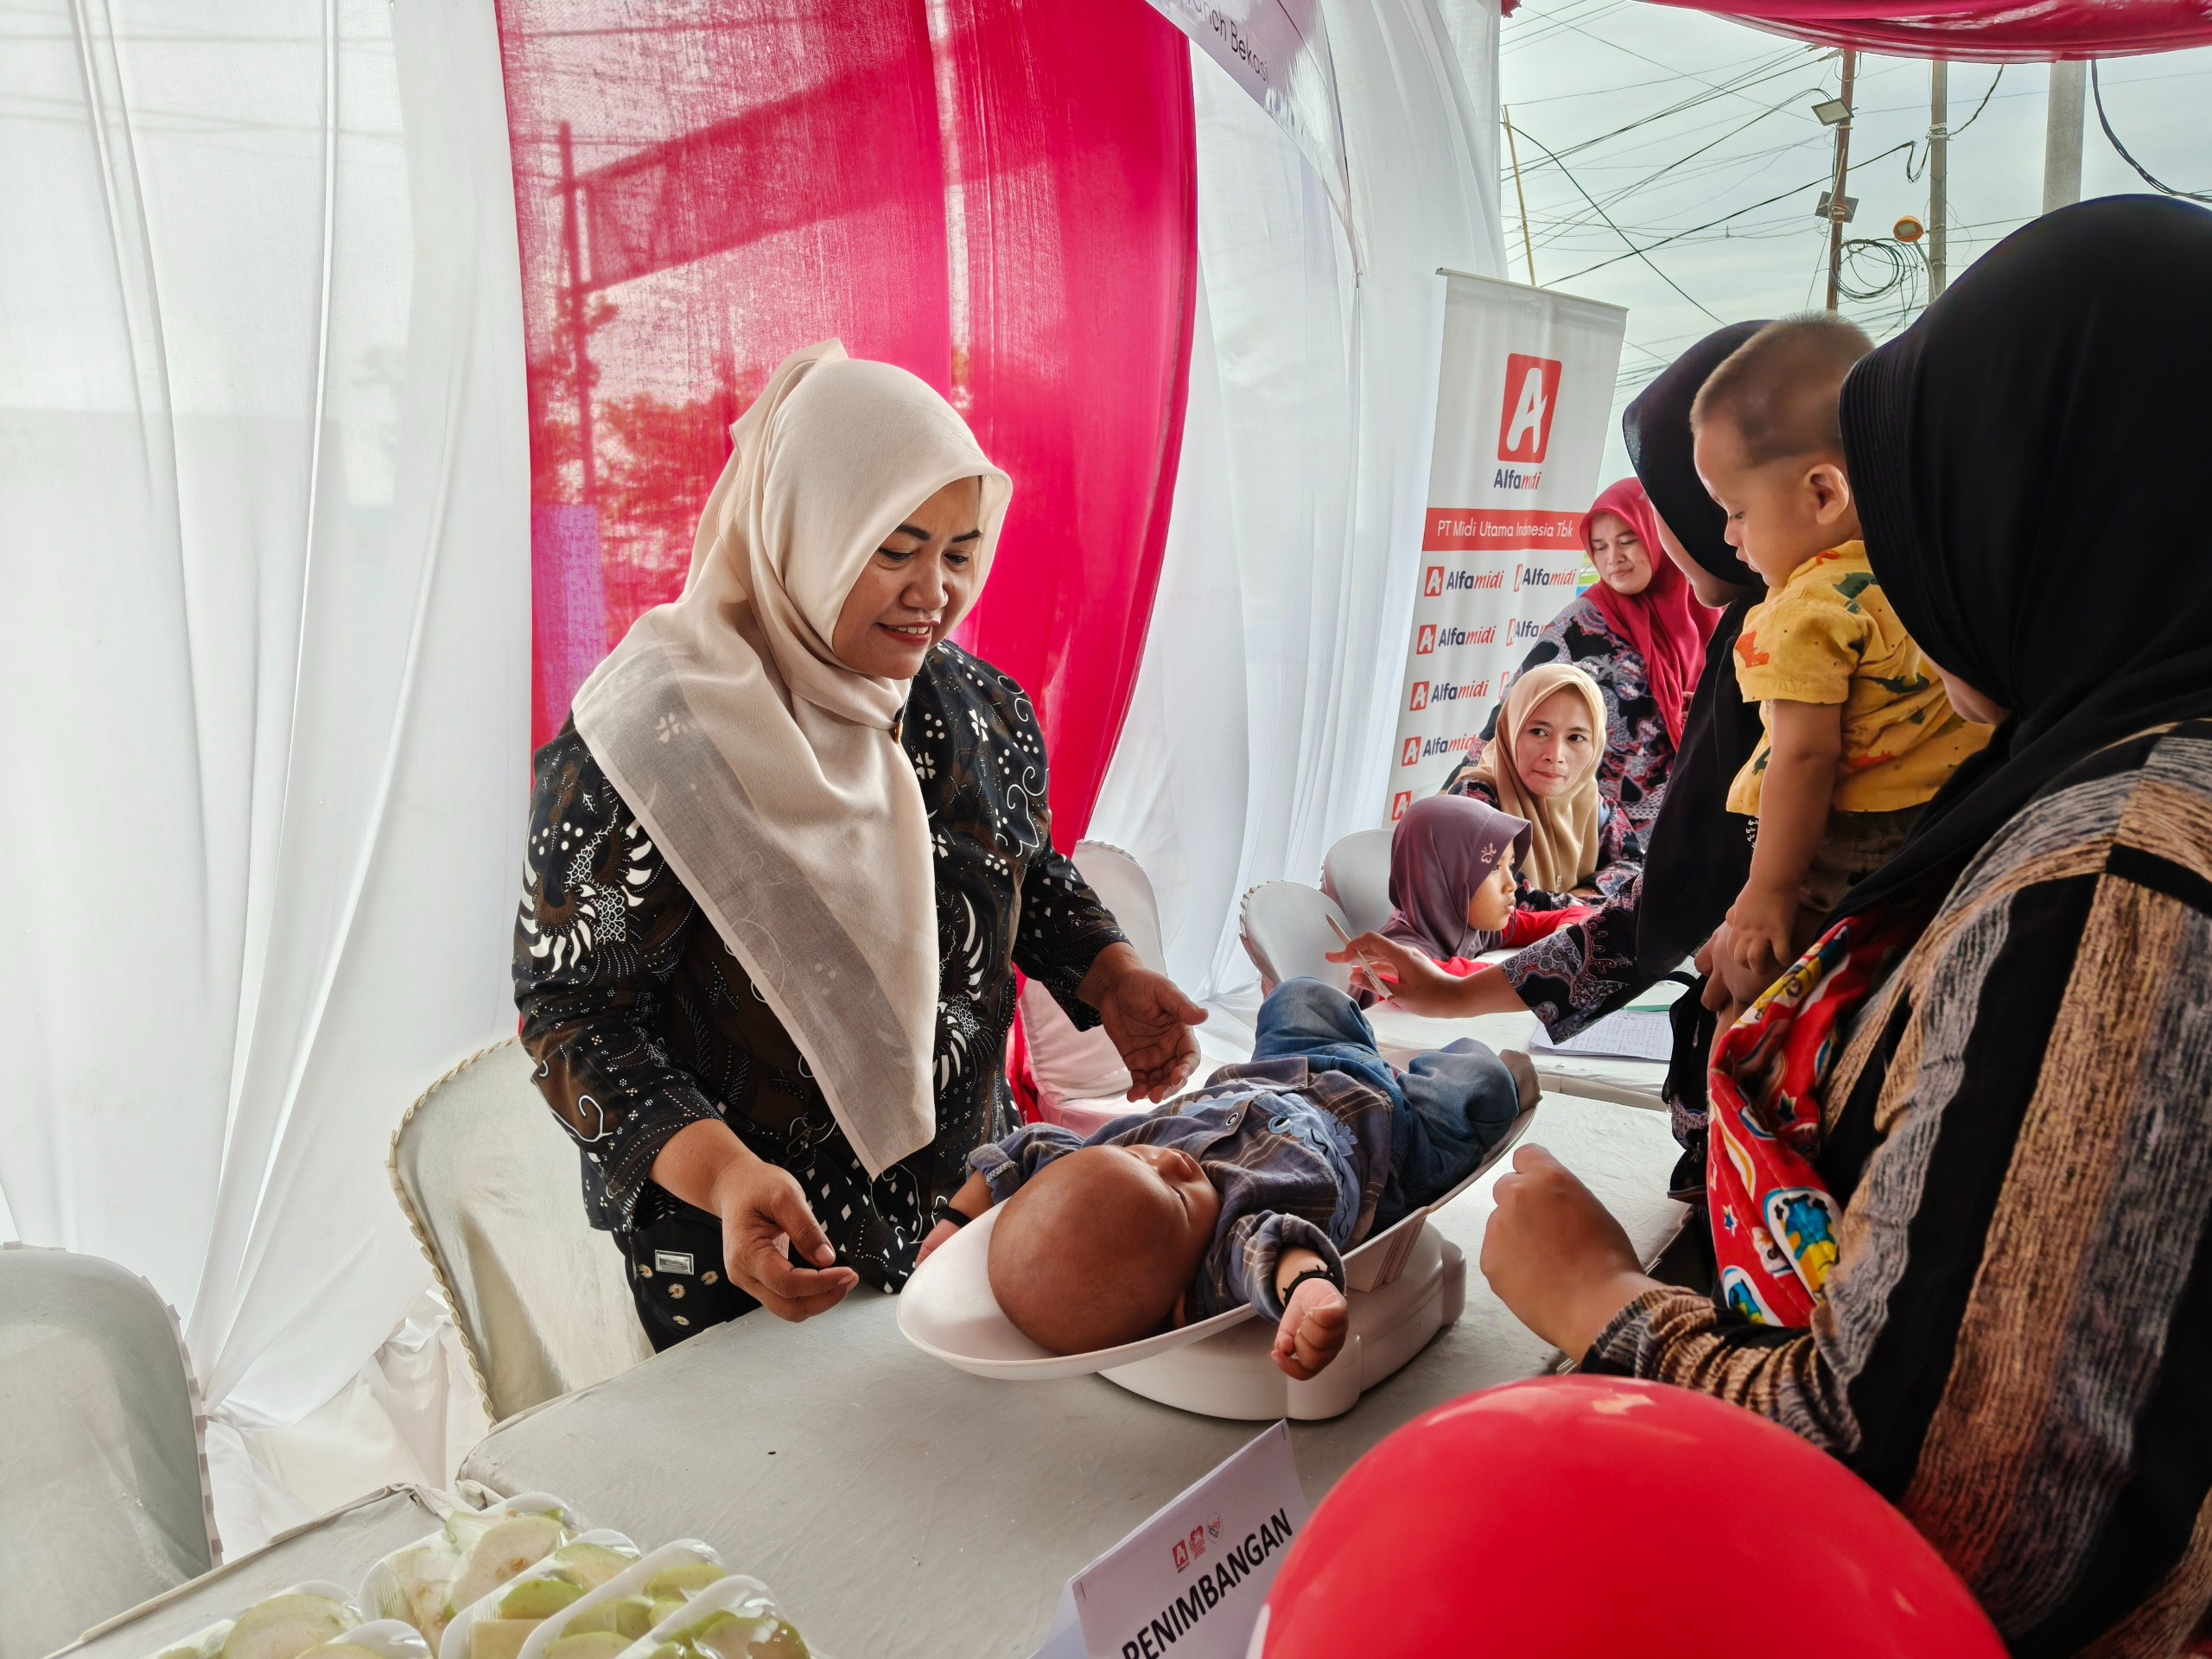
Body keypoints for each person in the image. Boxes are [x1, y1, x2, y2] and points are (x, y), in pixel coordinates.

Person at [1476, 197, 2212, 1653]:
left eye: (1935, 486)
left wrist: (1601, 1302)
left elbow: (1944, 1517)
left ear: (2037, 496)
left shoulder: (2118, 871)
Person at [513, 340, 1205, 1349]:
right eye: (896, 548)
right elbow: (574, 1017)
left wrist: (1110, 973)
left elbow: (1022, 876)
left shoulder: (979, 714)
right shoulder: (646, 741)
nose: (937, 592)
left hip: (971, 1213)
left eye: (961, 553)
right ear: (806, 528)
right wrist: (722, 1174)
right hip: (748, 1252)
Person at [1329, 327, 1770, 1071]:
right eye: (1602, 545)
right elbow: (1505, 744)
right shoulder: (1600, 629)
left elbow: (1680, 892)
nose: (1626, 554)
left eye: (1729, 505)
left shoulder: (1769, 639)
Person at [931, 978, 1535, 1378]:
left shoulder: (1106, 1161)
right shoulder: (1229, 1244)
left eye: (1143, 1160)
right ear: (1179, 1305)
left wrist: (959, 1217)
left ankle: (1363, 1048)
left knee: (1298, 997)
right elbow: (1274, 1250)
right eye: (1173, 1194)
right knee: (1482, 1084)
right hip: (1395, 1140)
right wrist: (1310, 1292)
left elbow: (1032, 1145)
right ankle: (1400, 1072)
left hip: (1288, 1067)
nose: (1169, 1160)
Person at [1689, 315, 1992, 993]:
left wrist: (1768, 891)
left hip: (1842, 849)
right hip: (1943, 833)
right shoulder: (1925, 570)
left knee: (1750, 1001)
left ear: (1823, 493)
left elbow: (1804, 756)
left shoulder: (1806, 608)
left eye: (1736, 510)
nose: (1731, 538)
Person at [1446, 478, 1716, 846]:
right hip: (1585, 835)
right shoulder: (1580, 626)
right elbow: (1510, 716)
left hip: (1675, 827)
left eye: (1627, 540)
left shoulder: (1705, 616)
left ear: (1661, 538)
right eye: (1599, 546)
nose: (1613, 558)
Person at [1444, 663, 1636, 912]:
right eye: (1538, 732)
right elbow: (1513, 904)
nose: (1555, 755)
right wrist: (1588, 905)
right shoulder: (1474, 803)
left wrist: (1578, 898)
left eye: (1575, 738)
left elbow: (1638, 873)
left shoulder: (1594, 806)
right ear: (1510, 731)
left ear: (1595, 745)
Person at [1373, 796, 1534, 981]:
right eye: (1494, 868)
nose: (1512, 884)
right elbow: (1405, 972)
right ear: (1441, 876)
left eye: (1511, 866)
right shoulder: (1394, 958)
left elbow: (1567, 919)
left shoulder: (1476, 931)